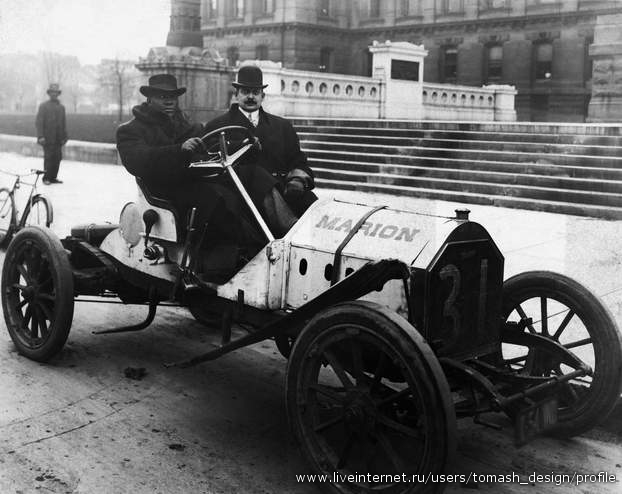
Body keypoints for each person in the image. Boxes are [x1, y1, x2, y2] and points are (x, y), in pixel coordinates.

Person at [116, 74, 294, 279]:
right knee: (215, 197)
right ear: (149, 99)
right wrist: (179, 150)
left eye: (172, 96)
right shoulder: (131, 130)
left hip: (195, 179)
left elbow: (210, 149)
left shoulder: (188, 126)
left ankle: (288, 229)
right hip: (164, 190)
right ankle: (247, 253)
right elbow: (138, 161)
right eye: (161, 96)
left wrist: (244, 146)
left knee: (254, 175)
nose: (168, 101)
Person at [203, 64, 318, 217]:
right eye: (245, 92)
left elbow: (298, 160)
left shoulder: (282, 126)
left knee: (311, 204)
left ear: (263, 96)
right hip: (240, 195)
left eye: (255, 92)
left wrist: (297, 180)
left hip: (283, 190)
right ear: (236, 95)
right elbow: (211, 164)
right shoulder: (217, 126)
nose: (250, 97)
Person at [36, 83, 68, 185]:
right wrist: (40, 136)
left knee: (57, 158)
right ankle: (46, 178)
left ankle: (53, 177)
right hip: (47, 138)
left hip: (58, 139)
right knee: (48, 158)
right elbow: (39, 122)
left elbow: (63, 123)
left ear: (58, 94)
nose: (54, 94)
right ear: (49, 94)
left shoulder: (61, 107)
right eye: (52, 92)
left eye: (56, 93)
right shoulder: (43, 106)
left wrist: (65, 136)